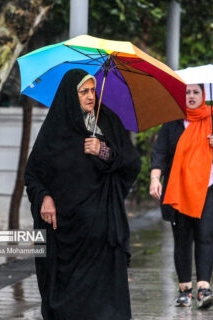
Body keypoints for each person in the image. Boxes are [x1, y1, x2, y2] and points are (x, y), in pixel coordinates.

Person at [25, 69, 141, 320]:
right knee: (65, 300)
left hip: (101, 226)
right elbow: (33, 174)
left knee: (103, 301)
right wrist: (44, 197)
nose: (91, 96)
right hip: (63, 231)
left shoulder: (107, 121)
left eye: (93, 90)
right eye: (84, 91)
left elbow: (132, 163)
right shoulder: (55, 129)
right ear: (70, 94)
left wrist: (103, 151)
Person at [149, 84, 213, 309]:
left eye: (196, 92)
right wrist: (155, 178)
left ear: (203, 95)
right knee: (182, 239)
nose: (191, 96)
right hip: (179, 190)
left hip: (209, 188)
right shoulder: (173, 120)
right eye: (187, 92)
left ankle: (204, 290)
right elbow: (159, 153)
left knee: (205, 237)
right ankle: (185, 290)